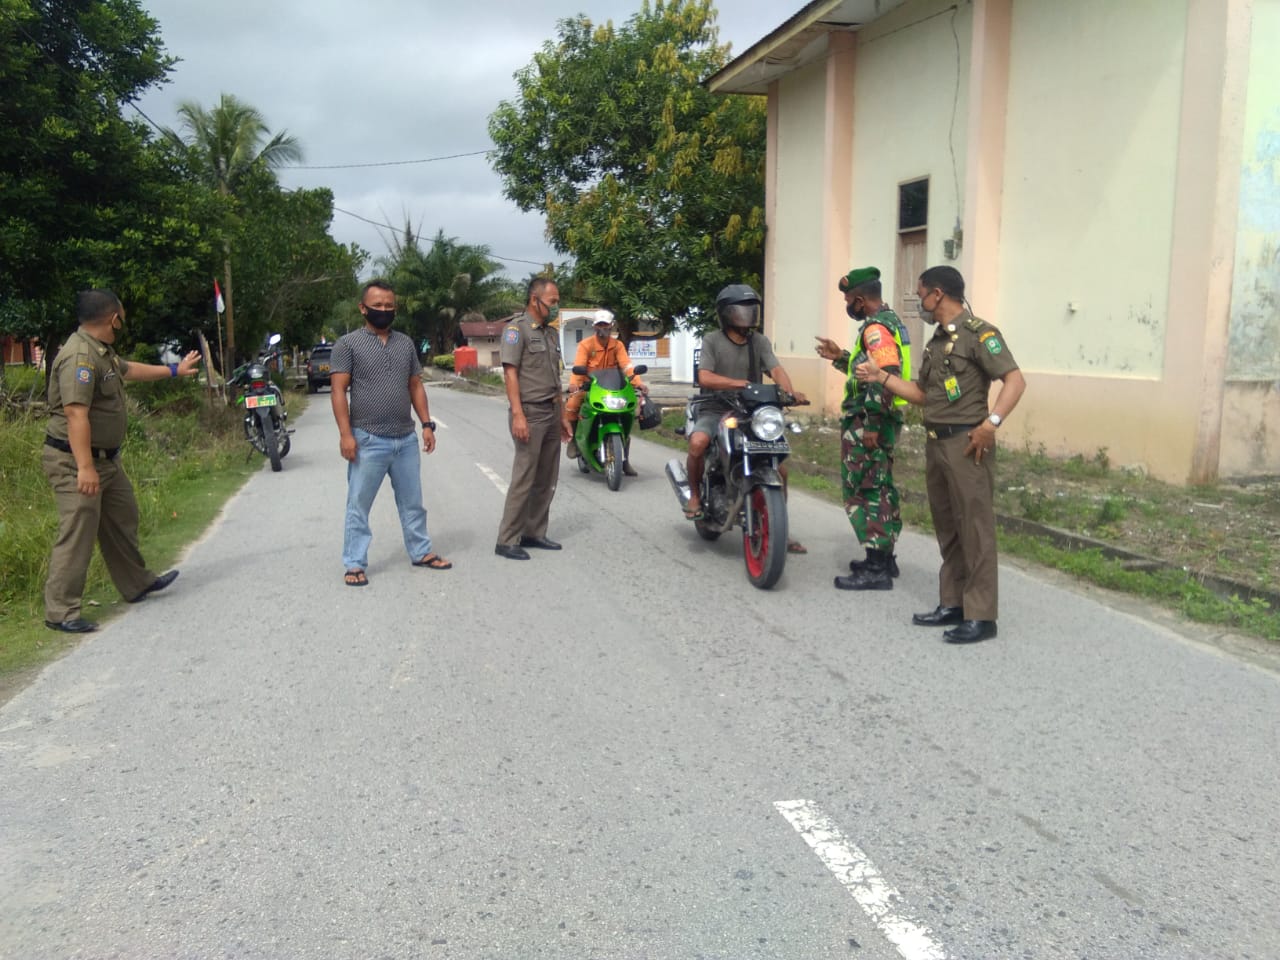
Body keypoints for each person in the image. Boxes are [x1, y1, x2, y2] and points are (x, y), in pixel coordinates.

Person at [856, 266, 1026, 643]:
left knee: (975, 529)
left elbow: (1015, 380)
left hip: (968, 444)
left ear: (938, 294)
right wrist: (880, 377)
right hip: (937, 442)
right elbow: (922, 395)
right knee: (948, 528)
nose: (920, 303)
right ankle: (953, 603)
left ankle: (982, 616)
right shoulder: (936, 343)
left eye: (921, 295)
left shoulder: (980, 334)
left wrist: (992, 423)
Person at [41, 289, 200, 633]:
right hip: (74, 461)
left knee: (123, 515)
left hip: (106, 461)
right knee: (78, 530)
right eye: (121, 317)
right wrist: (84, 467)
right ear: (113, 318)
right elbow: (75, 414)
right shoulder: (80, 357)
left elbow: (128, 370)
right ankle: (61, 612)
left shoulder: (102, 352)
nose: (122, 323)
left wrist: (174, 370)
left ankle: (136, 583)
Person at [330, 279, 451, 587]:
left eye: (389, 306)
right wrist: (346, 435)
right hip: (368, 438)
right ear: (363, 308)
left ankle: (421, 551)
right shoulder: (348, 345)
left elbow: (415, 385)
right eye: (377, 306)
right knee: (359, 505)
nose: (383, 311)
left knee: (413, 502)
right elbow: (338, 390)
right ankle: (354, 563)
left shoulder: (405, 343)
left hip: (405, 439)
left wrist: (426, 424)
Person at [685, 284, 808, 553]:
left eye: (752, 309)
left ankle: (777, 529)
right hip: (715, 408)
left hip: (750, 412)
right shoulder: (712, 340)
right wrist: (738, 384)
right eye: (742, 309)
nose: (748, 315)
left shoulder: (759, 342)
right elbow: (704, 377)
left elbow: (776, 369)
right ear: (727, 313)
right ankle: (695, 495)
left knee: (781, 469)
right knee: (697, 443)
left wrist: (789, 392)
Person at [815, 266, 909, 591]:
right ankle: (884, 557)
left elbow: (886, 374)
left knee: (866, 490)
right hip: (882, 418)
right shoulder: (890, 321)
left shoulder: (875, 329)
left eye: (847, 300)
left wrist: (871, 422)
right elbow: (867, 374)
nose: (847, 306)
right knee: (880, 485)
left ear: (859, 300)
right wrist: (840, 356)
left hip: (868, 422)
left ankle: (876, 568)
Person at [495, 277, 571, 560]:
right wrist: (518, 415)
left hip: (551, 411)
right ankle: (507, 539)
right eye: (552, 301)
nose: (556, 306)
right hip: (529, 411)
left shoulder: (550, 334)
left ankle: (534, 532)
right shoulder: (517, 330)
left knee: (547, 476)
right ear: (534, 300)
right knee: (524, 477)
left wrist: (562, 416)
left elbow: (555, 377)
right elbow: (510, 373)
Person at [563, 314, 648, 476]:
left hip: (613, 389)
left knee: (629, 412)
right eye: (599, 325)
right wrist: (575, 383)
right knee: (572, 405)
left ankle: (624, 461)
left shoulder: (618, 346)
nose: (603, 328)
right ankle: (574, 441)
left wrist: (639, 383)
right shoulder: (586, 345)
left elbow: (627, 366)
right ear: (595, 327)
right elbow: (579, 365)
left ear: (612, 326)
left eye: (606, 325)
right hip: (590, 387)